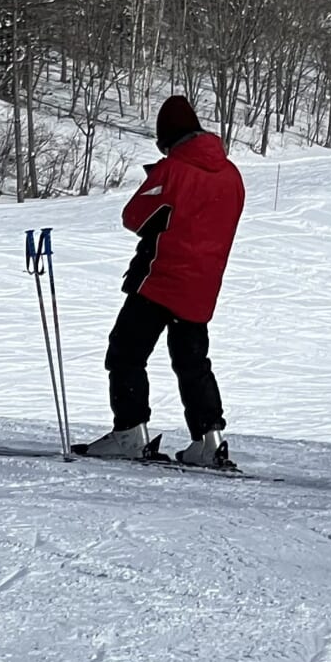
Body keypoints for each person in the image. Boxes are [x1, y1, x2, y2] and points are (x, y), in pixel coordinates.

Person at [85, 95, 244, 466]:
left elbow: (134, 218)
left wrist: (158, 178)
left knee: (126, 353)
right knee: (193, 362)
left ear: (167, 138)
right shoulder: (232, 174)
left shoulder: (172, 170)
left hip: (160, 279)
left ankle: (129, 432)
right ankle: (208, 439)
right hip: (202, 286)